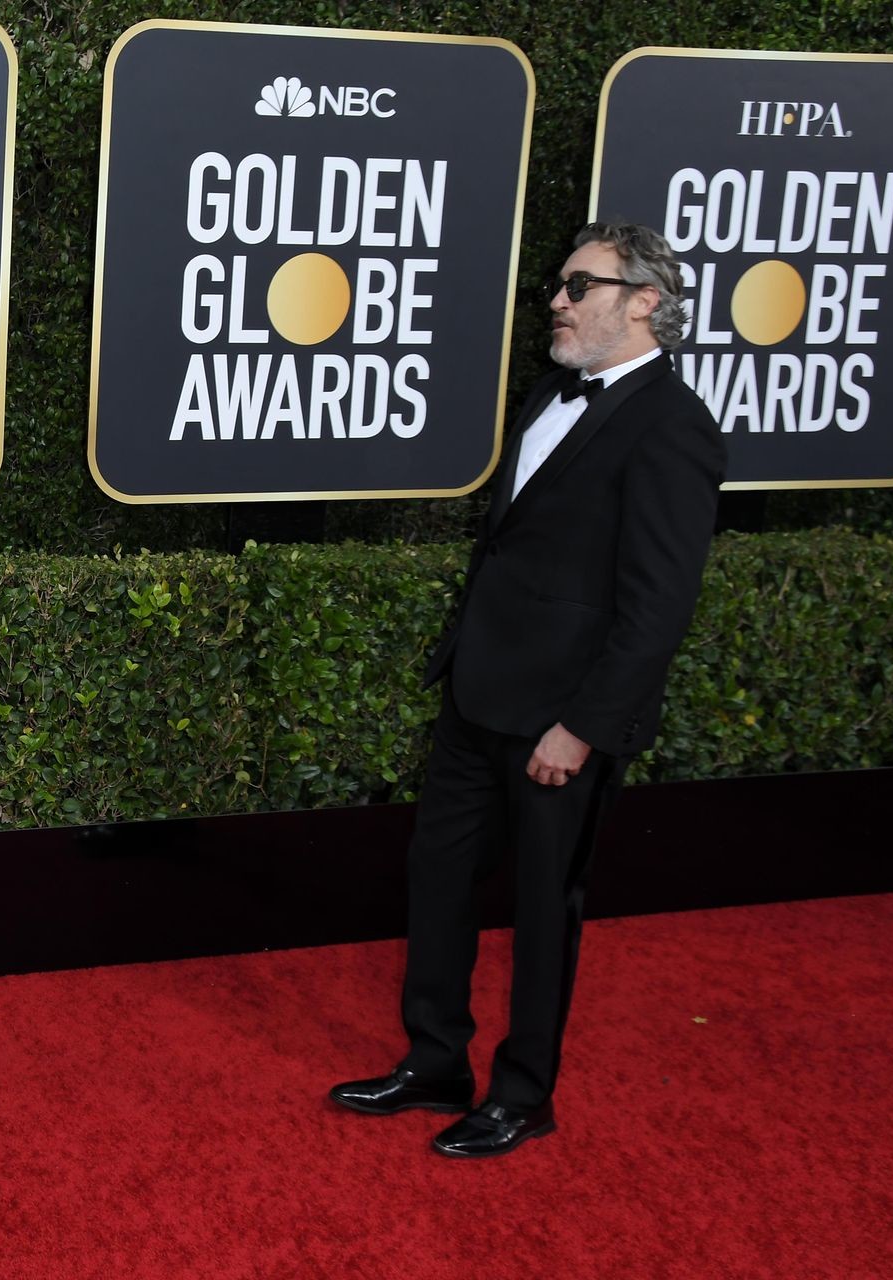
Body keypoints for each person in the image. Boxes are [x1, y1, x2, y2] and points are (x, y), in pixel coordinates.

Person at [329, 222, 725, 1157]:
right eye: (559, 283)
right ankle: (436, 1060)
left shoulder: (674, 428)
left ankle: (524, 1093)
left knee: (546, 909)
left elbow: (657, 605)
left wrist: (582, 727)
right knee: (437, 879)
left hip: (560, 723)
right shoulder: (551, 392)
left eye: (580, 285)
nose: (557, 300)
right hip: (478, 695)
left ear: (645, 301)